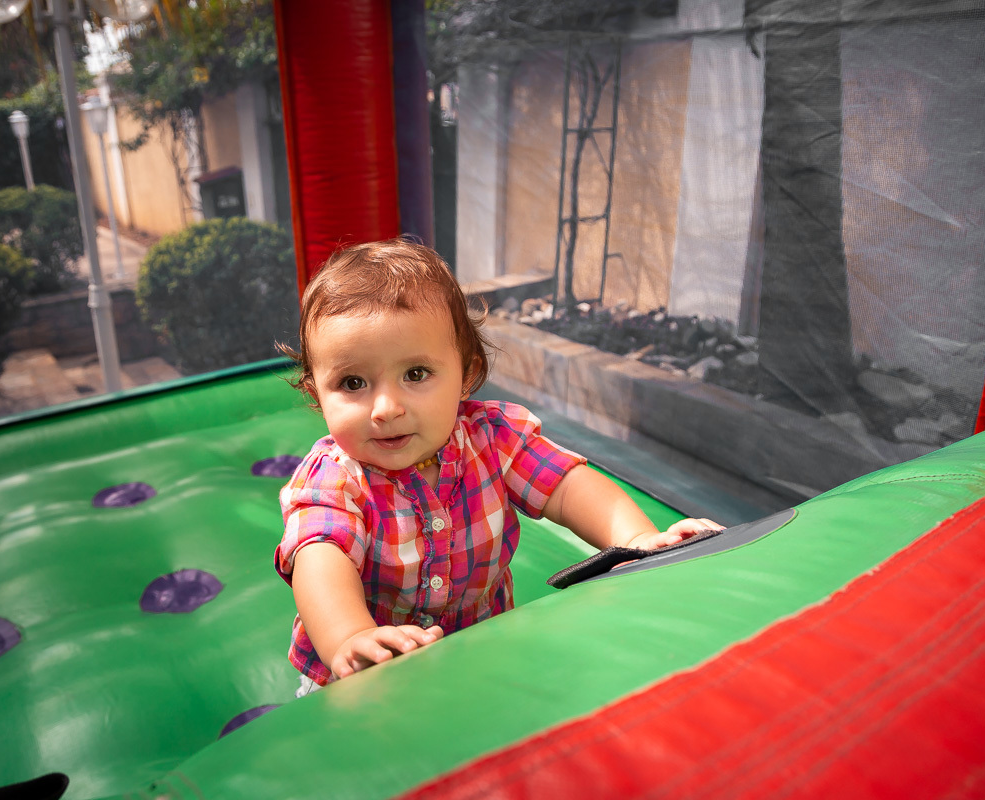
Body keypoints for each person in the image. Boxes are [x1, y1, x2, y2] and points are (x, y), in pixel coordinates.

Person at [274, 238, 720, 696]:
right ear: (316, 394)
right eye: (353, 383)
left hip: (481, 650)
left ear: (466, 373)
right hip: (364, 672)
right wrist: (349, 637)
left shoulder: (494, 437)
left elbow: (568, 488)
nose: (386, 407)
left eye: (416, 374)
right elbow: (320, 557)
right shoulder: (333, 478)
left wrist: (636, 539)